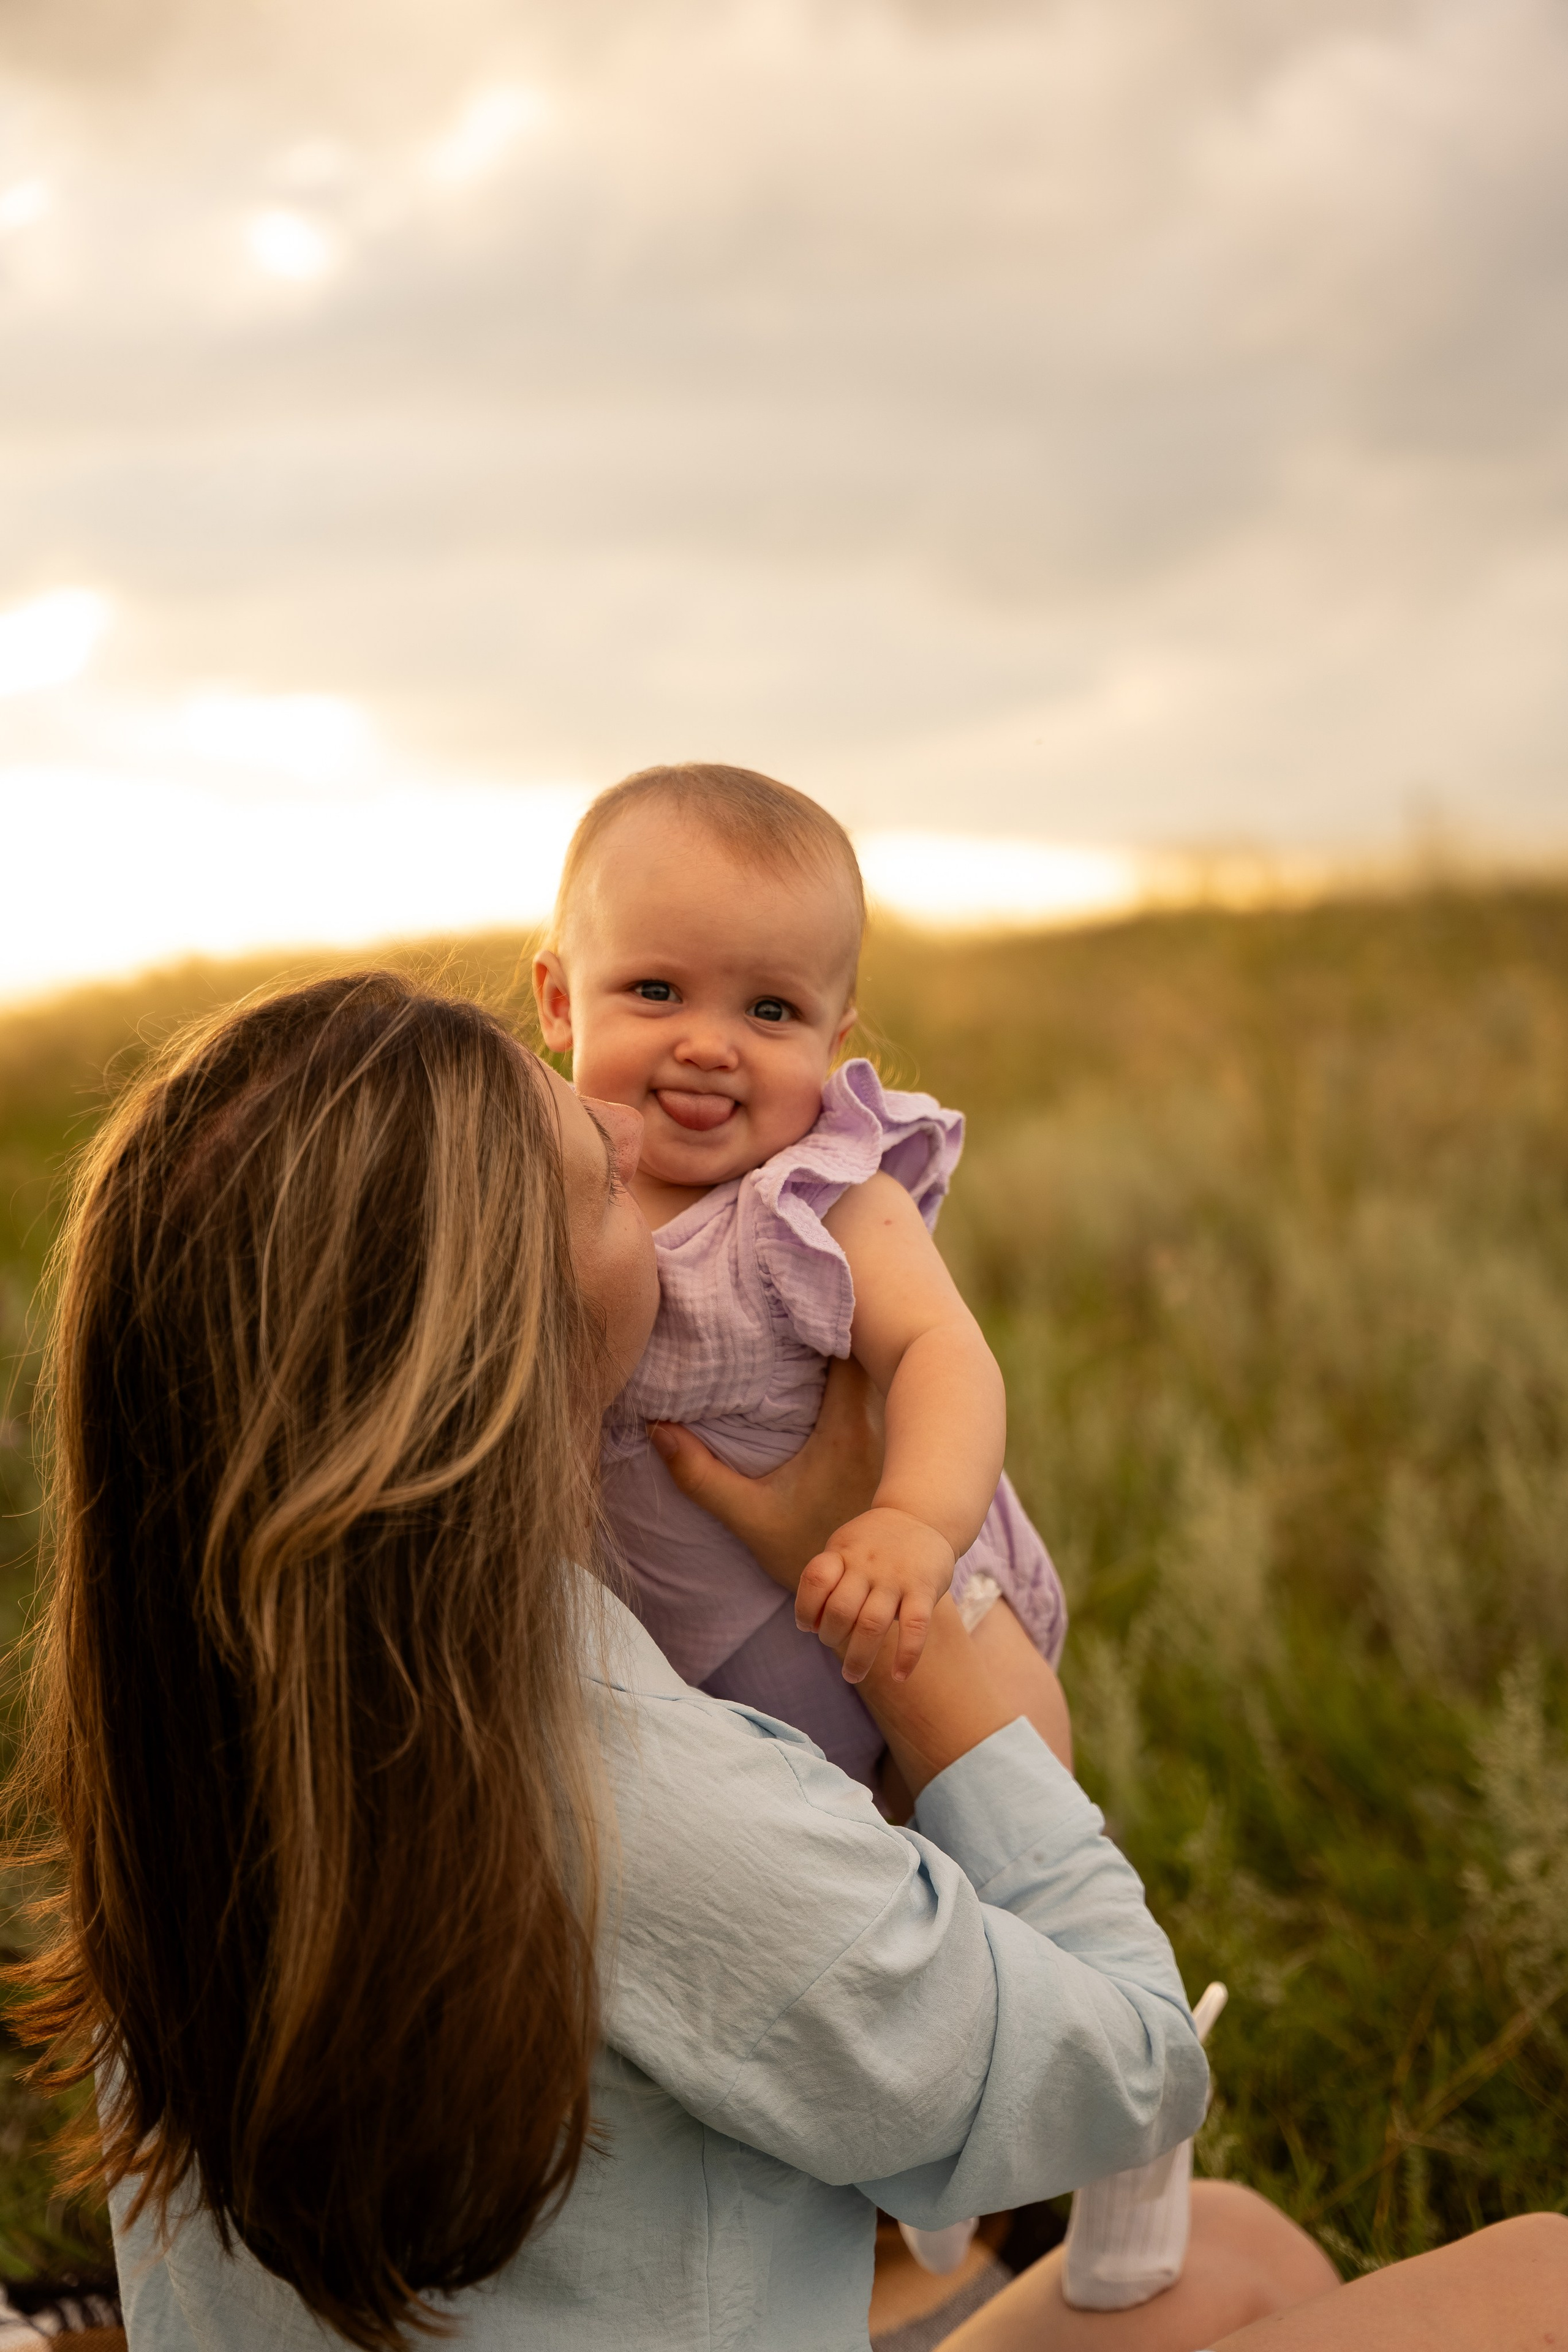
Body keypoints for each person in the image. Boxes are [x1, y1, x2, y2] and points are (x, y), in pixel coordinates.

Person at [7, 973, 1563, 2352]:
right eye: (604, 1185)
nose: (642, 1149)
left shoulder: (197, 1703)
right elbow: (1129, 2067)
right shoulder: (650, 1805)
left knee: (1214, 2252)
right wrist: (896, 1614)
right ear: (513, 1347)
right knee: (1541, 2280)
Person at [532, 760, 1182, 2307]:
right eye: (656, 987)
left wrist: (909, 1519)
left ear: (836, 1044)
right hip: (708, 1692)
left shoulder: (823, 1197)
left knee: (997, 1795)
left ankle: (1109, 2127)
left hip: (896, 1591)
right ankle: (927, 2193)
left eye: (770, 1012)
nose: (708, 1043)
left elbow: (939, 1362)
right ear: (557, 996)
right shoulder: (542, 1187)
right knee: (833, 1944)